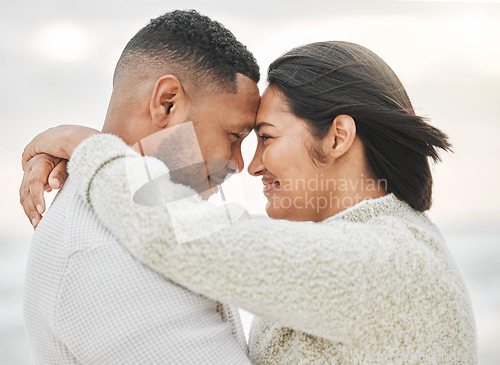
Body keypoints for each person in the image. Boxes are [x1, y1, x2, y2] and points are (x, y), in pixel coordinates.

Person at [22, 42, 478, 364]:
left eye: (263, 138)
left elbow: (186, 237)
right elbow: (197, 197)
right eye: (240, 138)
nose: (249, 165)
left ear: (338, 136)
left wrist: (92, 148)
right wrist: (125, 142)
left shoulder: (391, 263)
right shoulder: (370, 243)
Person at [20, 10, 261, 364]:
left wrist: (89, 145)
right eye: (234, 135)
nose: (239, 164)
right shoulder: (105, 253)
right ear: (167, 103)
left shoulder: (143, 216)